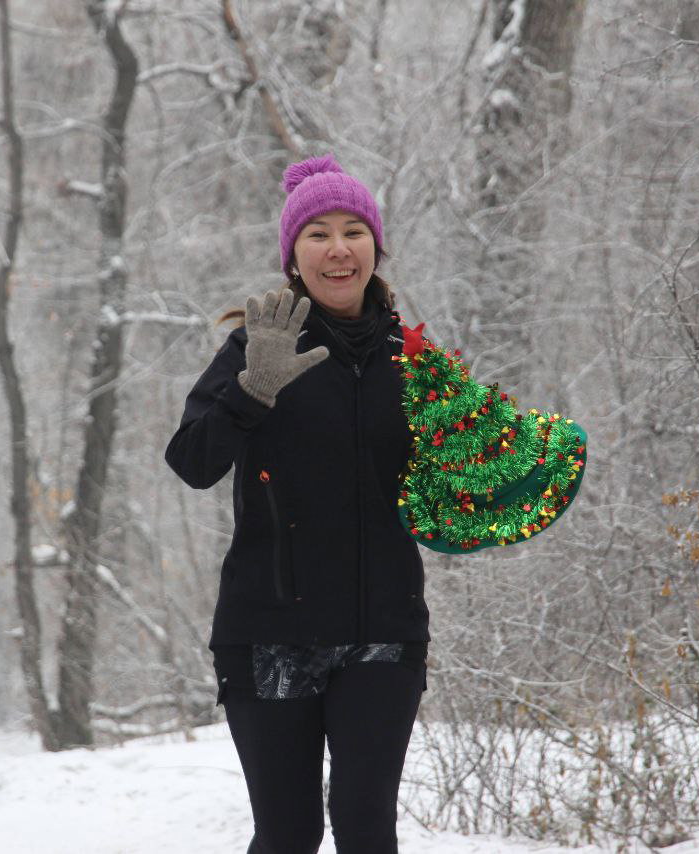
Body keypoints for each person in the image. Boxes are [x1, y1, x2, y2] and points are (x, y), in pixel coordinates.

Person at [164, 153, 429, 853]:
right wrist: (252, 391)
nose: (338, 249)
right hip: (269, 631)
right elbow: (192, 462)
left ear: (376, 246)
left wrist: (503, 484)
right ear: (292, 256)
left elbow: (444, 487)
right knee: (288, 834)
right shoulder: (257, 347)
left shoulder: (412, 357)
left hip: (383, 631)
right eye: (318, 234)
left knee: (367, 830)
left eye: (353, 231)